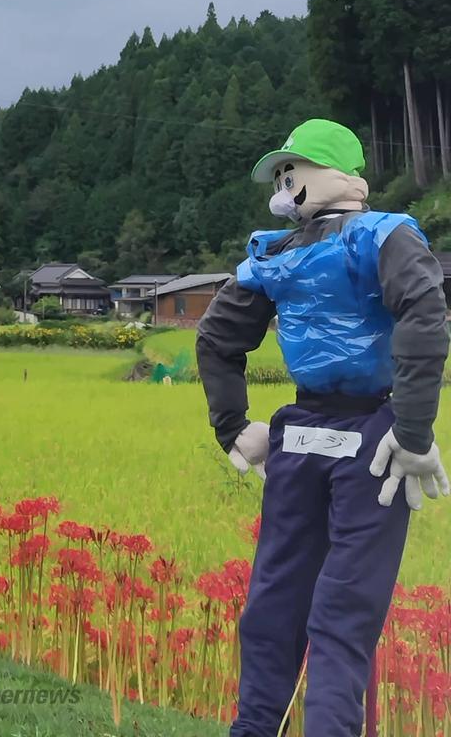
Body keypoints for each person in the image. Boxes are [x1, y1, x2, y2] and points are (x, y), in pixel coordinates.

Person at [197, 119, 449, 737]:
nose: (285, 186)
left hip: (337, 434)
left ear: (339, 176)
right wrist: (234, 427)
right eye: (280, 177)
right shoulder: (284, 250)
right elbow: (425, 312)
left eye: (293, 172)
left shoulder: (368, 237)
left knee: (301, 602)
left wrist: (411, 428)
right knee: (319, 609)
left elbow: (423, 315)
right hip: (340, 434)